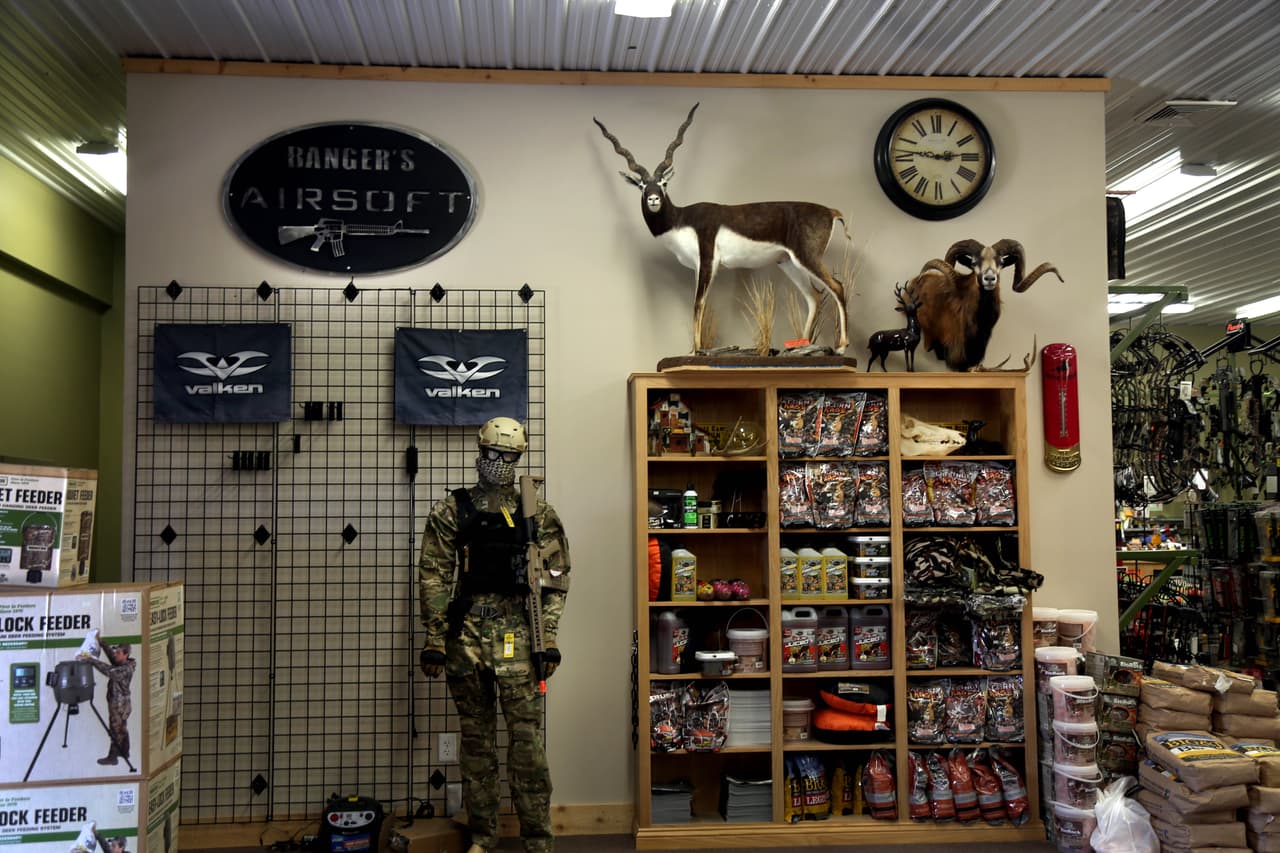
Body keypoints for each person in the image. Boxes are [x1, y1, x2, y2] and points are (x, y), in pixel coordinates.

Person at [417, 417, 571, 853]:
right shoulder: (454, 509)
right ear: (479, 452)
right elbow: (433, 575)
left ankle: (538, 838)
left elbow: (555, 578)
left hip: (519, 637)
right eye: (492, 455)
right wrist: (435, 637)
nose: (499, 464)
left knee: (527, 744)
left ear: (520, 458)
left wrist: (550, 639)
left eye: (509, 457)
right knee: (476, 743)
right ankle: (483, 836)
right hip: (465, 637)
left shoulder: (536, 512)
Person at [81, 642, 136, 765]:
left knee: (115, 730)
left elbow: (109, 671)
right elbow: (112, 657)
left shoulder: (125, 669)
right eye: (116, 652)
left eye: (118, 653)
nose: (115, 654)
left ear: (126, 655)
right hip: (121, 703)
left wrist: (91, 660)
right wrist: (103, 644)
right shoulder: (122, 662)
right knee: (122, 727)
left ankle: (113, 757)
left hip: (119, 704)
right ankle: (124, 752)